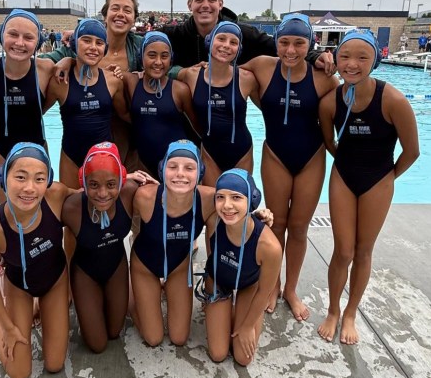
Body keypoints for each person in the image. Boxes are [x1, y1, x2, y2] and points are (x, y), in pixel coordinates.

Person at [317, 30, 419, 344]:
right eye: (346, 56)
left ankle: (350, 313)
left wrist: (386, 178)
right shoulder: (329, 102)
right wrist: (347, 162)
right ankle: (333, 310)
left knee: (362, 252)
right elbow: (329, 143)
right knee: (343, 250)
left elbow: (411, 151)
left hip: (379, 178)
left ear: (375, 60)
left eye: (363, 57)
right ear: (336, 58)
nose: (352, 64)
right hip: (344, 176)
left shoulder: (393, 100)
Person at [241, 13, 339, 319]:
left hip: (311, 157)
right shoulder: (261, 66)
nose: (291, 50)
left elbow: (346, 110)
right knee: (277, 224)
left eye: (299, 43)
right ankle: (273, 285)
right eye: (284, 42)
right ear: (276, 42)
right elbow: (226, 76)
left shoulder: (323, 77)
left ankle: (292, 289)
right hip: (276, 156)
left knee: (298, 228)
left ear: (310, 43)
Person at [0, 143, 71, 378]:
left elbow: (91, 194)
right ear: (3, 178)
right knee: (19, 374)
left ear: (47, 182)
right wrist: (7, 327)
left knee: (55, 364)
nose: (29, 188)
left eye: (39, 179)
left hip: (55, 281)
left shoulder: (55, 196)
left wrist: (125, 179)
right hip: (18, 287)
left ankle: (38, 310)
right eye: (20, 177)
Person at [61, 142, 155, 353]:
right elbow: (41, 224)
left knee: (114, 332)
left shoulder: (130, 192)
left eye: (111, 184)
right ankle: (90, 302)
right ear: (83, 182)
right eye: (93, 185)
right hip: (85, 273)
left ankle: (129, 296)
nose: (102, 193)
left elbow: (168, 200)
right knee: (97, 345)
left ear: (121, 181)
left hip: (116, 267)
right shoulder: (71, 208)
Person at [160, 0, 335, 75]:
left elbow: (281, 47)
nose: (205, 5)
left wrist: (314, 56)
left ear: (220, 4)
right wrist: (179, 72)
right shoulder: (172, 36)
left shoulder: (244, 35)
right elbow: (141, 47)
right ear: (190, 4)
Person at [130, 140, 216, 347]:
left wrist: (259, 215)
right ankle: (131, 295)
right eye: (173, 167)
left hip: (179, 266)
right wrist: (126, 176)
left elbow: (239, 208)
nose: (180, 174)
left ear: (199, 172)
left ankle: (166, 287)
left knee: (179, 338)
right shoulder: (144, 197)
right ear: (162, 169)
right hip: (145, 266)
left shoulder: (209, 199)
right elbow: (109, 199)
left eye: (189, 168)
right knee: (153, 338)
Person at [196, 170, 282, 365]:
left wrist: (247, 326)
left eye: (236, 197)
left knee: (243, 359)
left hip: (249, 286)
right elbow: (184, 186)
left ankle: (236, 313)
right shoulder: (212, 219)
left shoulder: (269, 246)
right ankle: (223, 310)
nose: (227, 205)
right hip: (217, 281)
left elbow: (264, 291)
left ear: (251, 200)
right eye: (220, 197)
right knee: (218, 354)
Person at [0, 9, 57, 201]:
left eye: (28, 37)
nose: (19, 43)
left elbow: (76, 65)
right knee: (7, 213)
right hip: (2, 150)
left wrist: (67, 61)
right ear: (1, 35)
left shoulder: (46, 69)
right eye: (13, 34)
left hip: (38, 149)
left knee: (40, 213)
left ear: (38, 42)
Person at [44, 19, 128, 188]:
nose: (93, 47)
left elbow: (126, 115)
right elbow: (35, 113)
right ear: (75, 43)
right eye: (86, 40)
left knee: (104, 207)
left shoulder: (113, 81)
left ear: (104, 48)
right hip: (71, 156)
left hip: (104, 156)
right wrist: (3, 127)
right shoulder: (61, 81)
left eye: (99, 42)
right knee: (71, 208)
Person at [177, 21, 258, 185]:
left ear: (238, 49)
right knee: (211, 204)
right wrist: (140, 74)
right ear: (209, 41)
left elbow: (268, 107)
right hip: (209, 151)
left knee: (239, 204)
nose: (226, 46)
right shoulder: (191, 75)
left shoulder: (247, 79)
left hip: (241, 152)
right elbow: (164, 75)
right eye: (221, 39)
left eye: (233, 42)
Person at [122, 31, 200, 175]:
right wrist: (67, 61)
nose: (158, 62)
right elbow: (103, 75)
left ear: (171, 59)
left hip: (177, 167)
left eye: (164, 56)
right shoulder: (131, 82)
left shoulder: (179, 90)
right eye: (152, 55)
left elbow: (197, 128)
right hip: (144, 166)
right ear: (141, 57)